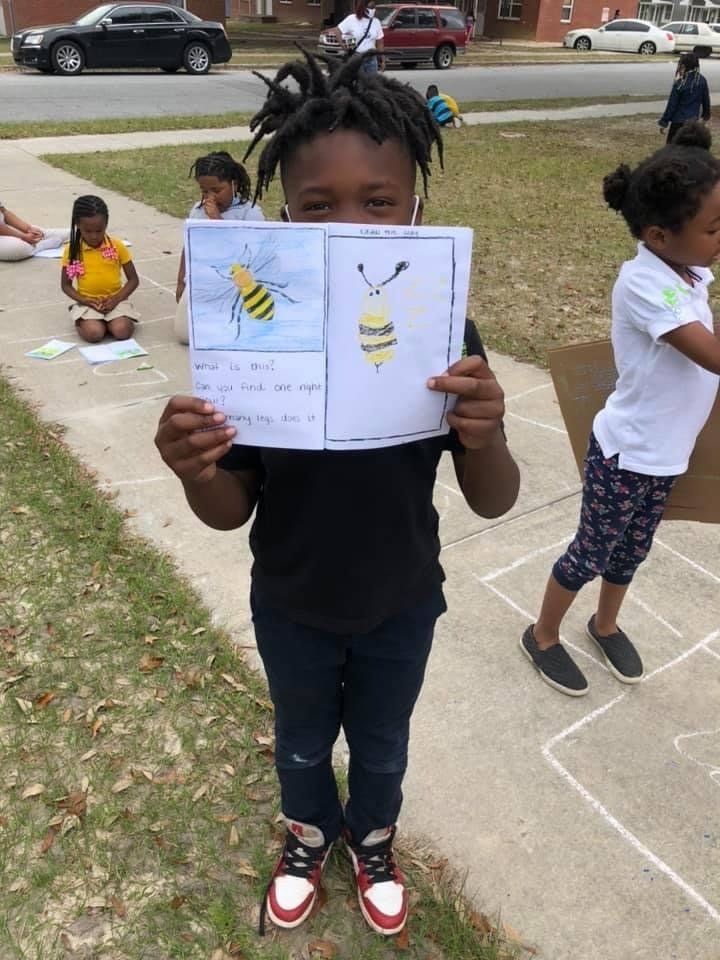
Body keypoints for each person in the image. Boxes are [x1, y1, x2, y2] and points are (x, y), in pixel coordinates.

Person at [155, 50, 520, 938]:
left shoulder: (443, 327)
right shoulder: (256, 343)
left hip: (403, 599)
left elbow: (494, 500)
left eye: (379, 202)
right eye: (319, 206)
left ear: (416, 211)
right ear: (285, 216)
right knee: (302, 741)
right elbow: (230, 507)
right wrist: (196, 467)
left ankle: (375, 838)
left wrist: (488, 431)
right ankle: (310, 835)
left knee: (385, 745)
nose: (351, 222)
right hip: (292, 600)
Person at [521, 122, 720, 697]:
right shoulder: (643, 284)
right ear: (658, 234)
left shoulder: (688, 272)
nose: (719, 238)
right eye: (712, 229)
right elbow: (709, 355)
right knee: (589, 553)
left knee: (633, 550)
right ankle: (542, 635)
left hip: (665, 456)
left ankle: (604, 623)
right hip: (627, 454)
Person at [174, 150, 264, 345]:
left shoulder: (250, 213)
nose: (210, 197)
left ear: (234, 184)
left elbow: (249, 255)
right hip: (203, 281)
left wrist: (216, 220)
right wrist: (181, 281)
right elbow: (188, 246)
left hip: (237, 285)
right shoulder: (198, 211)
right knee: (184, 335)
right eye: (204, 191)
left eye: (217, 190)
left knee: (238, 332)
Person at [61, 195, 139, 344]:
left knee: (122, 331)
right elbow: (66, 285)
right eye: (88, 231)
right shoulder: (73, 251)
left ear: (106, 224)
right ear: (78, 225)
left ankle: (113, 321)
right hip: (88, 302)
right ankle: (82, 320)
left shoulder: (117, 247)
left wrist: (115, 299)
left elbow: (133, 280)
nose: (94, 236)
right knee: (94, 334)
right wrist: (85, 301)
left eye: (99, 230)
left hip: (116, 300)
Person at [659, 53, 711, 144]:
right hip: (693, 124)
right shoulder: (702, 80)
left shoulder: (680, 83)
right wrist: (705, 117)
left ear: (683, 65)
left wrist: (664, 122)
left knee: (673, 150)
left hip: (677, 123)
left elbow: (672, 105)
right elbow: (706, 101)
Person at [0, 199, 69, 262]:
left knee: (39, 232)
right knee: (17, 248)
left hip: (4, 228)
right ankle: (40, 245)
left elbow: (4, 212)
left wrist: (28, 229)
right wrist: (23, 236)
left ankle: (74, 232)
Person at [336, 0, 384, 74]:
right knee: (358, 83)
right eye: (370, 7)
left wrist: (382, 60)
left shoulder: (376, 22)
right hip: (356, 57)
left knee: (371, 83)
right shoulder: (352, 19)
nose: (372, 10)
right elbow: (338, 31)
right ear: (363, 7)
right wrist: (343, 46)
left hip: (371, 58)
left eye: (373, 7)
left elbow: (380, 43)